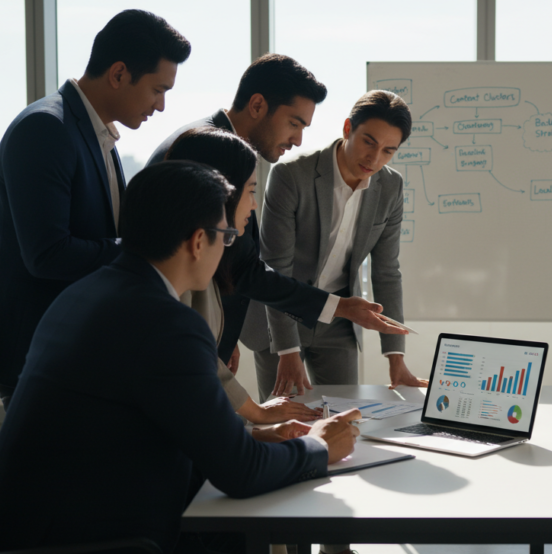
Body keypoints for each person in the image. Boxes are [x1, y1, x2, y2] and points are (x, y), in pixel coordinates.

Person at [0, 161, 363, 554]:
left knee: (248, 542)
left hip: (22, 542)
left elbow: (154, 419)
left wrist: (249, 436)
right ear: (198, 241)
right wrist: (319, 445)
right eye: (226, 237)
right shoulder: (165, 322)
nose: (226, 249)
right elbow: (242, 473)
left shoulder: (86, 292)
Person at [0, 9, 191, 409]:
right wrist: (143, 249)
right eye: (157, 89)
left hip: (67, 341)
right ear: (119, 74)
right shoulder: (46, 128)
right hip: (35, 344)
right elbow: (47, 254)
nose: (162, 105)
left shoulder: (96, 132)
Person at [148, 53, 406, 399]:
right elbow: (247, 268)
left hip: (200, 328)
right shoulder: (210, 152)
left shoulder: (212, 143)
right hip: (176, 334)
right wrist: (339, 308)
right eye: (294, 124)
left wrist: (225, 329)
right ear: (257, 105)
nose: (297, 139)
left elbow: (232, 262)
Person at [253, 90, 427, 400]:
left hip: (340, 319)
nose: (374, 159)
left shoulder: (391, 186)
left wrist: (396, 358)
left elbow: (386, 271)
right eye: (369, 142)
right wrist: (288, 350)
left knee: (346, 415)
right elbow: (275, 269)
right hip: (279, 314)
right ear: (348, 129)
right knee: (283, 416)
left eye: (388, 151)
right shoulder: (290, 176)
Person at [163, 127, 321, 425]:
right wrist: (303, 443)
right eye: (250, 190)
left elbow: (203, 360)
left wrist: (257, 425)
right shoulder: (169, 288)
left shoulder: (189, 263)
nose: (254, 204)